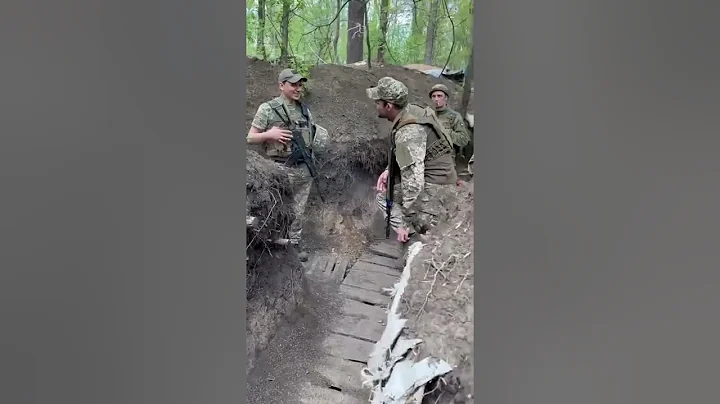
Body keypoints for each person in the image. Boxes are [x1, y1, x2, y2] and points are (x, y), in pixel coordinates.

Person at [247, 68, 328, 260]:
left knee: (298, 211)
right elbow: (250, 137)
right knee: (280, 209)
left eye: (300, 84)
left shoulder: (305, 110)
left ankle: (294, 245)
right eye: (293, 84)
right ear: (281, 85)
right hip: (280, 170)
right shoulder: (268, 108)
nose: (298, 88)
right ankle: (275, 244)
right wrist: (269, 134)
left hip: (304, 169)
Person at [367, 77, 458, 243]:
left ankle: (413, 237)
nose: (375, 105)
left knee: (384, 199)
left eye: (378, 102)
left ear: (388, 106)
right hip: (442, 179)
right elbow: (408, 155)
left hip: (438, 189)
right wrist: (388, 170)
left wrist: (406, 222)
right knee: (388, 195)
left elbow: (414, 184)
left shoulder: (408, 132)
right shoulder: (411, 111)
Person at [428, 84, 471, 155]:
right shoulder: (427, 114)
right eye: (433, 96)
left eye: (439, 96)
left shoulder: (454, 116)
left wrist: (445, 131)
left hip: (447, 157)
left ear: (446, 98)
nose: (436, 99)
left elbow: (463, 140)